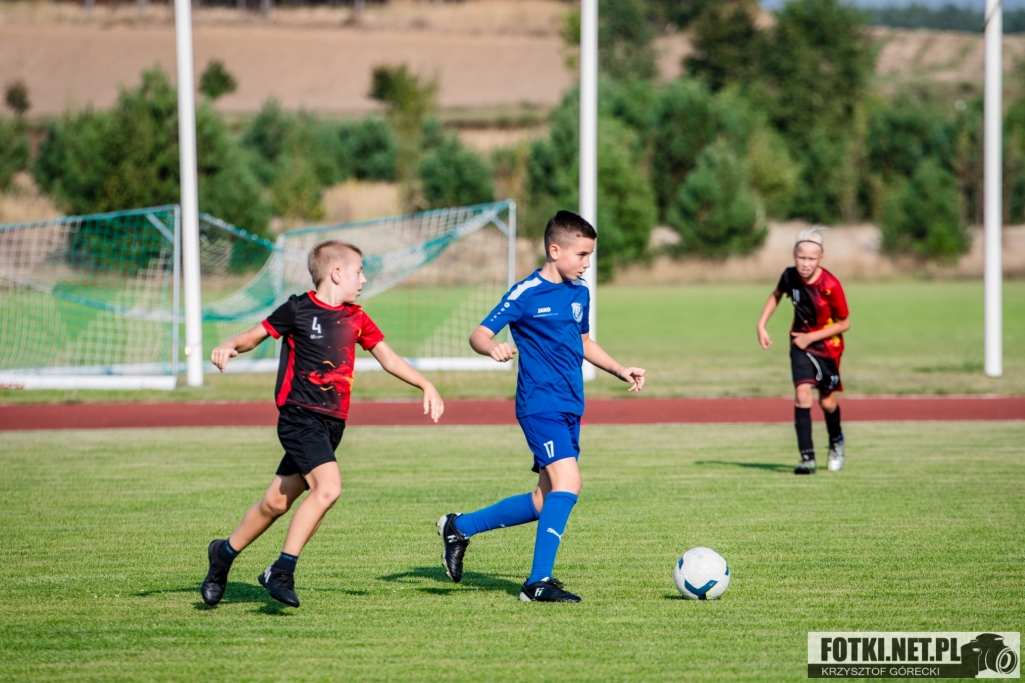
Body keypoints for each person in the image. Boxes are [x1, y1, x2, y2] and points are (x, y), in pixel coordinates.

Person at [200, 240, 444, 608]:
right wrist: (230, 345)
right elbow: (254, 335)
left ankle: (223, 554)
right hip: (299, 418)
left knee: (275, 503)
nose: (364, 279)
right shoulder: (298, 309)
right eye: (359, 271)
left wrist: (425, 384)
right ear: (337, 273)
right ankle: (281, 571)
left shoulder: (357, 318)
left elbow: (389, 359)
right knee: (328, 489)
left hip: (332, 427)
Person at [437, 210, 646, 603]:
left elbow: (583, 342)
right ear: (555, 250)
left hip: (570, 405)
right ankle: (537, 583)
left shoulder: (579, 292)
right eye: (582, 254)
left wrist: (619, 369)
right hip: (539, 404)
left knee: (542, 500)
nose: (587, 263)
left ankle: (459, 527)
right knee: (569, 483)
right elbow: (478, 333)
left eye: (589, 255)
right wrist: (492, 347)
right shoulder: (526, 293)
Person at [756, 227, 850, 475]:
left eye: (811, 258)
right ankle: (807, 458)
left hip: (828, 347)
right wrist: (761, 325)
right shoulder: (789, 276)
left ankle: (836, 440)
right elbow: (776, 295)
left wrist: (811, 337)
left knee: (827, 402)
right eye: (801, 257)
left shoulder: (830, 285)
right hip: (799, 343)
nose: (805, 263)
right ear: (794, 255)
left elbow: (844, 323)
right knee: (802, 394)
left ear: (821, 257)